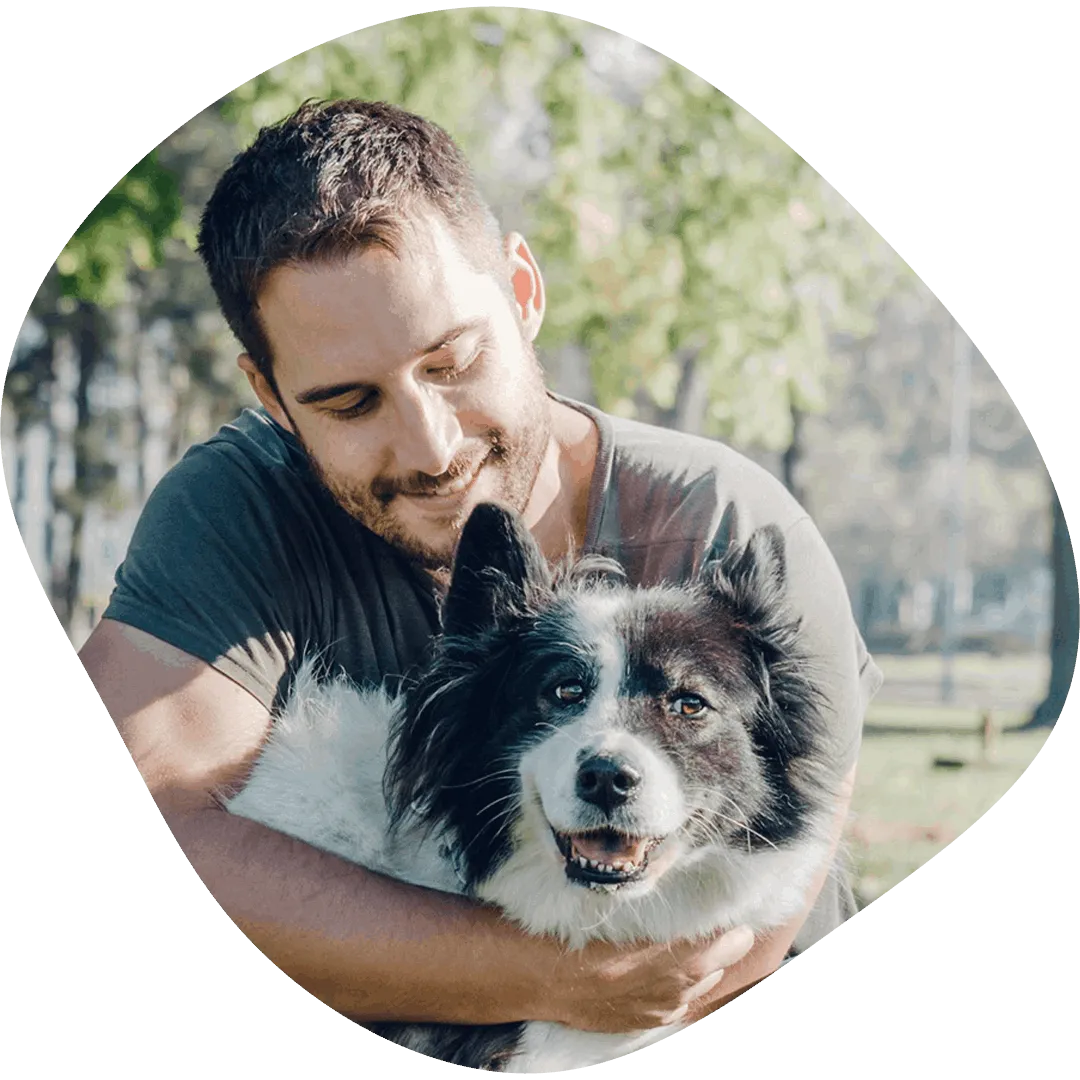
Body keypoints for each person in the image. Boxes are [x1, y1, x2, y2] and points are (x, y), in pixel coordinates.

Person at [77, 99, 882, 1039]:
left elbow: (748, 928)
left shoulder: (724, 524)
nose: (431, 446)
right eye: (349, 402)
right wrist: (541, 978)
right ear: (271, 395)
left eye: (452, 361)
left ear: (523, 291)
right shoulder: (235, 509)